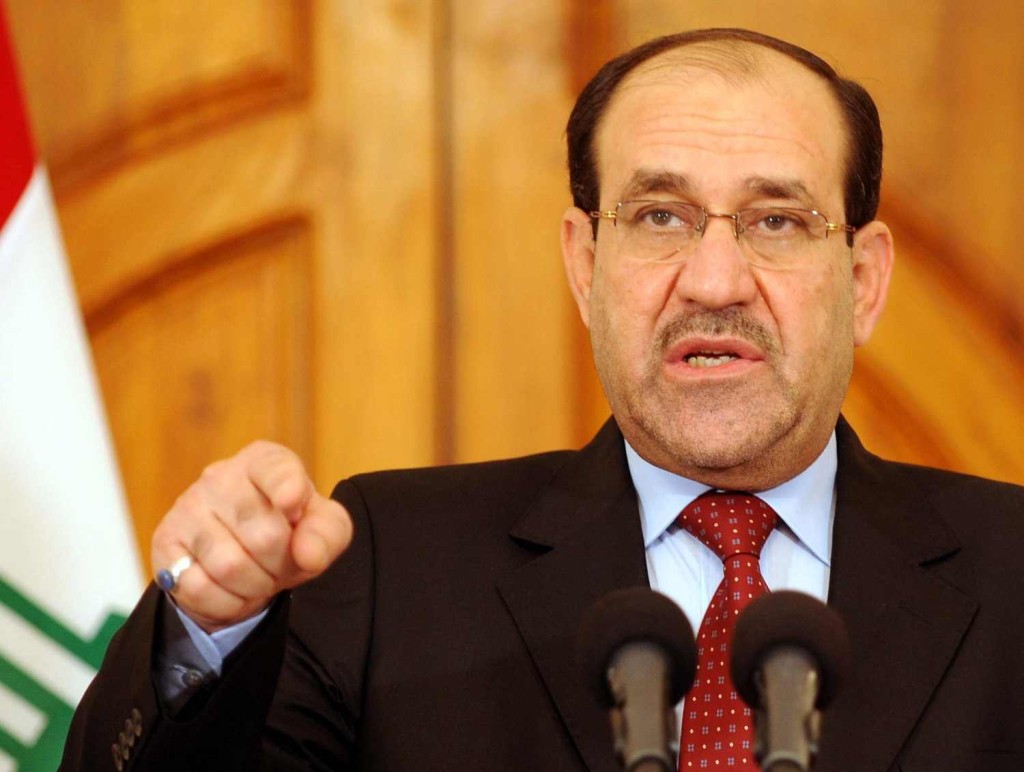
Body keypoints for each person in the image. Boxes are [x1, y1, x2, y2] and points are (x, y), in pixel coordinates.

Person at [62, 28, 1024, 772]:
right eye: (659, 216)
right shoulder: (387, 570)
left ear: (862, 280)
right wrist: (208, 629)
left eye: (776, 220)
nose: (714, 280)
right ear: (585, 264)